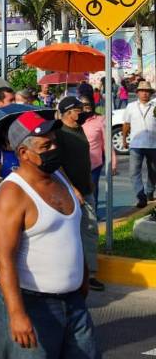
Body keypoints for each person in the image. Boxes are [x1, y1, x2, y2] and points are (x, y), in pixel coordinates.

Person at [0, 112, 97, 358]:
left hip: (73, 303)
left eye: (54, 142)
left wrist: (82, 275)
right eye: (45, 146)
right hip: (31, 304)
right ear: (24, 153)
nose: (54, 149)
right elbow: (3, 258)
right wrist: (16, 314)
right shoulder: (12, 194)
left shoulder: (59, 176)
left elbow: (70, 233)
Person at [54, 96, 104, 292]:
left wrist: (88, 181)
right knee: (68, 233)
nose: (81, 112)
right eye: (77, 109)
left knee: (90, 229)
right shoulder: (59, 133)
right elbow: (58, 165)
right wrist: (72, 188)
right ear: (68, 112)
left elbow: (83, 157)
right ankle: (70, 272)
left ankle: (90, 274)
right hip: (68, 192)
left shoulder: (80, 128)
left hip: (86, 189)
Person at [80, 96, 117, 216]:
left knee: (92, 189)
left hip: (94, 163)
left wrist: (113, 162)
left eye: (88, 105)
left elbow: (107, 143)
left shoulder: (100, 120)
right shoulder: (74, 121)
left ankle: (93, 213)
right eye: (83, 106)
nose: (86, 108)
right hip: (77, 163)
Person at [122, 81, 156, 208]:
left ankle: (149, 192)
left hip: (153, 144)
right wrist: (124, 140)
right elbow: (126, 124)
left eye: (147, 91)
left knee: (153, 171)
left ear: (151, 93)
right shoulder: (130, 106)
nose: (145, 93)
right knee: (134, 172)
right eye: (142, 91)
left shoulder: (154, 106)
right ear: (137, 93)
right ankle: (141, 196)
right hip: (136, 144)